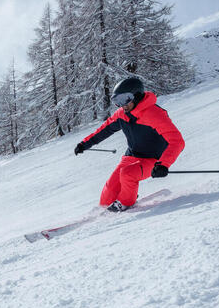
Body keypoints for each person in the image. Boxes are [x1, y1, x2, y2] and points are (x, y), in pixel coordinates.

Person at [74, 76, 185, 211]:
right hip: (131, 157)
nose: (122, 105)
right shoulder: (122, 113)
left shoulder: (154, 114)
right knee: (107, 197)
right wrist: (84, 144)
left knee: (128, 174)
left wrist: (163, 164)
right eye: (117, 101)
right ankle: (124, 196)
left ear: (137, 96)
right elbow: (105, 129)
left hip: (153, 160)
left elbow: (177, 141)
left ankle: (126, 202)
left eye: (125, 99)